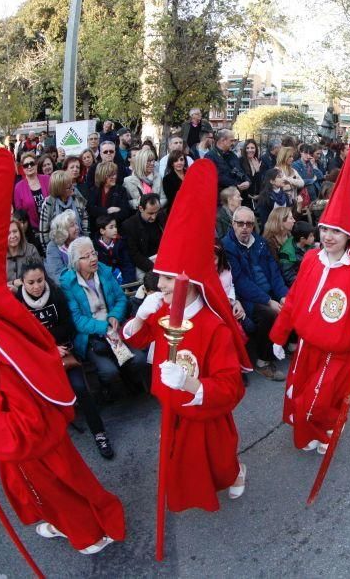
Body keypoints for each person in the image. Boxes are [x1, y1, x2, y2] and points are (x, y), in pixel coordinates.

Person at [0, 147, 125, 554]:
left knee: (63, 494)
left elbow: (29, 427)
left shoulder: (2, 352)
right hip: (27, 452)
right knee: (53, 495)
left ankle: (89, 533)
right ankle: (71, 525)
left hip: (36, 450)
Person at [122, 159, 248, 509]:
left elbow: (230, 387)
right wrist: (138, 318)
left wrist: (192, 384)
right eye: (158, 278)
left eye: (165, 280)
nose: (158, 286)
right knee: (182, 465)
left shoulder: (213, 327)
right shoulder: (159, 308)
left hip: (205, 412)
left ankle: (236, 472)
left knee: (218, 463)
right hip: (172, 409)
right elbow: (135, 340)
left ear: (189, 284)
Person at [269, 140, 350, 453]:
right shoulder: (310, 260)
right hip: (306, 346)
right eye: (325, 230)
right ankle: (324, 427)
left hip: (337, 351)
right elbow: (293, 301)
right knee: (300, 396)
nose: (328, 237)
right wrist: (279, 336)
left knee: (314, 402)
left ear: (348, 236)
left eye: (336, 231)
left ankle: (329, 425)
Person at [17, 261, 115, 459]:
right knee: (36, 396)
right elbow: (20, 334)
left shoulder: (56, 294)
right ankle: (46, 443)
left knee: (80, 388)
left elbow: (67, 326)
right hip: (37, 356)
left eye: (39, 280)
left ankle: (99, 433)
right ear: (22, 283)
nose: (36, 286)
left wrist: (48, 341)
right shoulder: (17, 300)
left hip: (64, 353)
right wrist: (48, 345)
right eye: (30, 283)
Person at [61, 237, 149, 396]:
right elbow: (77, 319)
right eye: (86, 256)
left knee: (139, 359)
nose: (93, 258)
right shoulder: (68, 283)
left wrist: (114, 315)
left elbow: (121, 299)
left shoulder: (104, 271)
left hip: (115, 327)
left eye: (93, 253)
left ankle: (129, 376)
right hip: (91, 336)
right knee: (108, 372)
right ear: (75, 262)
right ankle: (107, 388)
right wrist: (104, 327)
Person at [221, 206, 289, 380]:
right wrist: (268, 300)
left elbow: (274, 272)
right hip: (246, 298)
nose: (245, 227)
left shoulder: (259, 242)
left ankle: (288, 343)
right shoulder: (227, 247)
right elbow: (240, 282)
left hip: (267, 291)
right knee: (268, 314)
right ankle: (263, 361)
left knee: (291, 301)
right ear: (233, 224)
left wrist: (282, 294)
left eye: (249, 224)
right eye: (240, 223)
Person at [120, 193, 165, 280]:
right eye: (150, 213)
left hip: (163, 258)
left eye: (156, 212)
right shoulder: (129, 225)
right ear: (141, 208)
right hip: (144, 263)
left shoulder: (162, 216)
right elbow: (135, 255)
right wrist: (154, 268)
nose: (154, 217)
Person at [39, 170, 88, 247]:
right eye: (69, 187)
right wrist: (49, 251)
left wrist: (85, 239)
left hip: (78, 243)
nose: (72, 188)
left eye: (72, 184)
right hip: (58, 246)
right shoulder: (49, 203)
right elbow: (43, 231)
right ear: (60, 190)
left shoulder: (77, 197)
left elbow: (84, 219)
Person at [13, 150, 50, 231]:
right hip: (33, 230)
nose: (29, 167)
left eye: (32, 163)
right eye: (26, 165)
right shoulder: (18, 188)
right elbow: (20, 213)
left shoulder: (47, 179)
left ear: (36, 165)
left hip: (52, 225)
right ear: (22, 168)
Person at [94, 215, 136, 284]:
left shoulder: (121, 243)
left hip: (123, 279)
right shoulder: (95, 247)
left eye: (115, 226)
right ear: (102, 231)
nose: (115, 230)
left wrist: (127, 283)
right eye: (111, 227)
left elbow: (127, 264)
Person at [206, 129, 251, 194]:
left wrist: (247, 181)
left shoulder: (232, 155)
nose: (233, 143)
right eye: (231, 141)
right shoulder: (210, 156)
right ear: (222, 140)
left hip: (234, 195)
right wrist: (237, 184)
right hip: (219, 197)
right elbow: (218, 177)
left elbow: (239, 171)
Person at [44, 210, 80, 283]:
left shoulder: (80, 241)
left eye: (76, 224)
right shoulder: (53, 247)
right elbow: (57, 275)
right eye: (72, 225)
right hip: (67, 287)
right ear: (63, 230)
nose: (77, 227)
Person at [6, 218, 42, 292]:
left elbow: (40, 277)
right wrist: (12, 283)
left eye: (15, 231)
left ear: (20, 232)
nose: (12, 236)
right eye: (8, 233)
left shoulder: (31, 250)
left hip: (30, 294)